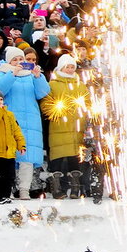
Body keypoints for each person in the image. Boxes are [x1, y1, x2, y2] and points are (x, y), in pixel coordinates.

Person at [0, 46, 49, 199]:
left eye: (20, 59)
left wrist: (38, 77)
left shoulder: (30, 75)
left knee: (27, 157)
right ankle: (7, 189)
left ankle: (24, 189)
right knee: (10, 156)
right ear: (9, 61)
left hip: (31, 122)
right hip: (11, 121)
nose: (18, 62)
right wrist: (12, 74)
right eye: (14, 59)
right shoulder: (2, 73)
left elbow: (43, 93)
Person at [40, 53, 88, 199]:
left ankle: (75, 188)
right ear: (61, 67)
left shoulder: (80, 85)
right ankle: (56, 188)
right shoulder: (53, 84)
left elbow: (88, 102)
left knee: (74, 158)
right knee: (57, 158)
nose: (70, 69)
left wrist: (83, 111)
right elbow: (45, 104)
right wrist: (57, 111)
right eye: (67, 66)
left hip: (75, 128)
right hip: (58, 127)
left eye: (72, 67)